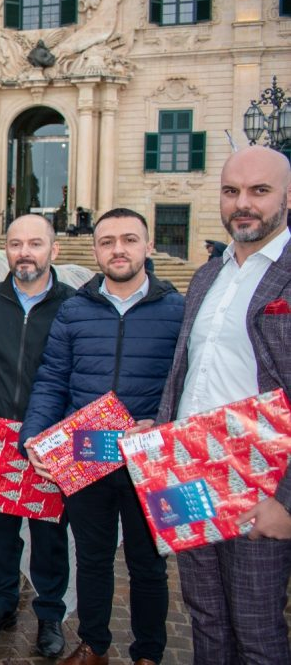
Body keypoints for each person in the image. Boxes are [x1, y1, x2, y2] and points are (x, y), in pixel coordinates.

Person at [20, 208, 185, 665]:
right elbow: (53, 378)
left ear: (148, 247)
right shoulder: (76, 309)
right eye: (107, 241)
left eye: (129, 240)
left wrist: (165, 423)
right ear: (95, 250)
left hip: (147, 458)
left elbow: (187, 382)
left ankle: (148, 654)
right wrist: (34, 435)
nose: (118, 249)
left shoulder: (177, 309)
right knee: (91, 559)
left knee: (148, 565)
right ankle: (94, 644)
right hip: (86, 456)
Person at [156, 146, 291, 664]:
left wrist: (288, 501)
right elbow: (186, 371)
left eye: (259, 191)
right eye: (232, 191)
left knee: (257, 629)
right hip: (190, 471)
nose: (243, 204)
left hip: (260, 480)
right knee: (206, 618)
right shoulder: (208, 275)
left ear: (285, 197)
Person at [0, 214, 73, 657]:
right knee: (1, 532)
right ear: (5, 250)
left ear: (53, 250)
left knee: (49, 536)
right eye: (15, 243)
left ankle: (49, 616)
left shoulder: (73, 306)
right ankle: (2, 603)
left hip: (48, 441)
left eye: (35, 244)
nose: (25, 252)